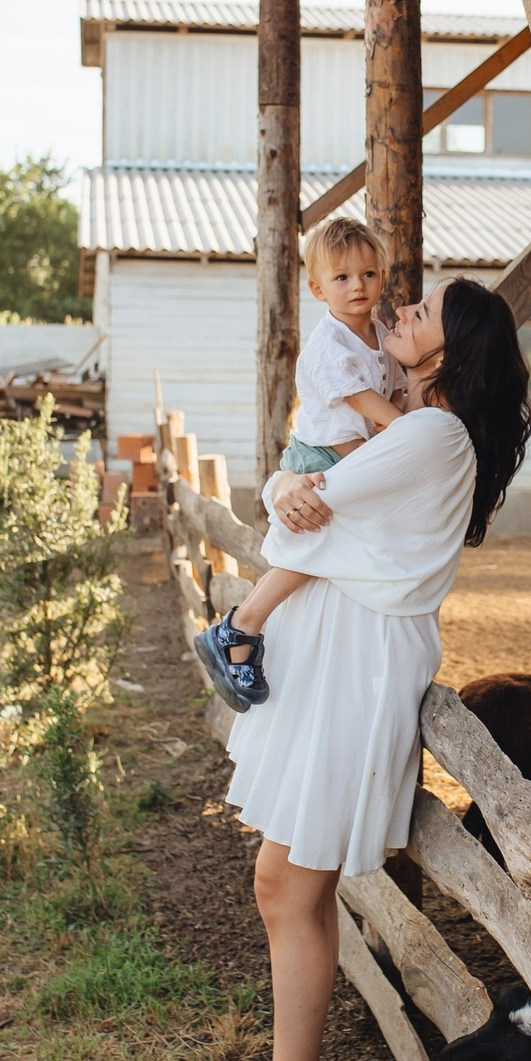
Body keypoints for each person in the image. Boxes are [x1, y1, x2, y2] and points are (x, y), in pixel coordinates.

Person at [182, 276, 531, 1061]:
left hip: (355, 666)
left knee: (293, 887)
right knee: (280, 882)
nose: (400, 313)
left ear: (450, 352)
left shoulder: (429, 433)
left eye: (421, 314)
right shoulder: (416, 432)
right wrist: (291, 486)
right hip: (342, 655)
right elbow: (297, 499)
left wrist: (291, 486)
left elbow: (306, 504)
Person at [195, 215, 406, 711]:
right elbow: (381, 415)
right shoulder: (329, 347)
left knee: (332, 547)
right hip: (323, 455)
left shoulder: (379, 332)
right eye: (342, 278)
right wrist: (415, 438)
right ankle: (241, 625)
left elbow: (395, 394)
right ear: (317, 288)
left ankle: (244, 627)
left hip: (353, 454)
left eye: (369, 274)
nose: (358, 285)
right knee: (315, 547)